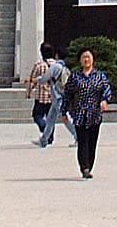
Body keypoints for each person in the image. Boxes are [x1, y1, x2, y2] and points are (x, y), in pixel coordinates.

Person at [63, 49, 112, 179]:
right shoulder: (75, 77)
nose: (86, 60)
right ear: (80, 60)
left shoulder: (99, 76)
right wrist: (64, 111)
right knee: (82, 141)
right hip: (79, 114)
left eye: (88, 57)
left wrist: (104, 100)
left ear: (93, 60)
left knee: (92, 142)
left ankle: (89, 165)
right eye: (84, 57)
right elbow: (67, 94)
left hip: (94, 114)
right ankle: (84, 167)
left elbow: (106, 89)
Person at [33, 51, 77, 148]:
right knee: (50, 119)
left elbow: (45, 78)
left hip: (58, 97)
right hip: (58, 96)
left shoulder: (55, 67)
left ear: (57, 56)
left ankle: (78, 137)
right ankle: (44, 139)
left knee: (65, 117)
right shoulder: (65, 67)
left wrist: (38, 80)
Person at [25, 42, 59, 133]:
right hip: (53, 95)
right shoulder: (57, 65)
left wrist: (29, 92)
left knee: (37, 115)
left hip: (41, 96)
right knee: (50, 117)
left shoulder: (39, 64)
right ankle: (50, 136)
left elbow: (33, 79)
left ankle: (44, 129)